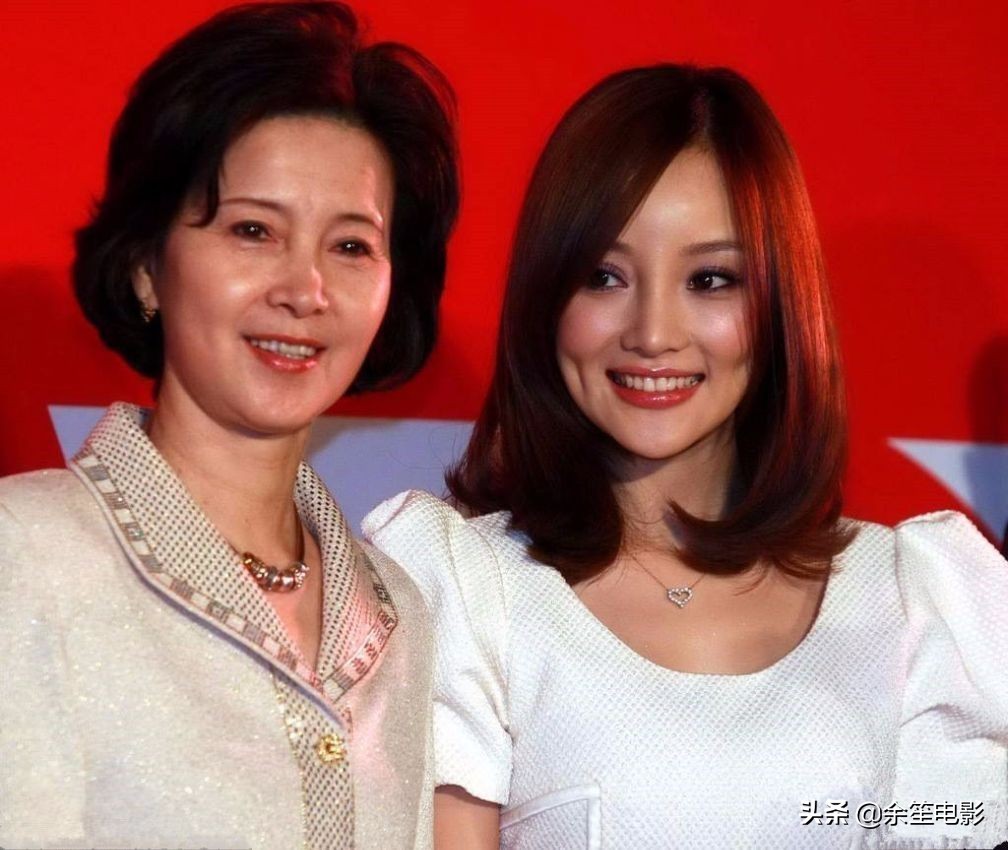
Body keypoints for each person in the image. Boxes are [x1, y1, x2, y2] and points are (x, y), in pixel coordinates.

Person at [363, 65, 1008, 849]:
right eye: (604, 276)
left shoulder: (917, 604)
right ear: (546, 297)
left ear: (778, 304)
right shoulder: (470, 592)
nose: (653, 333)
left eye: (710, 279)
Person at [0, 3, 458, 849]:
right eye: (253, 230)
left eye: (351, 247)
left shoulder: (399, 614)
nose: (305, 290)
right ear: (147, 266)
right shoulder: (25, 555)